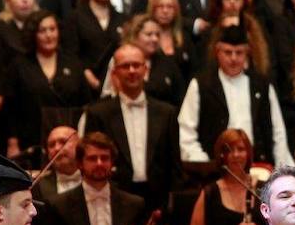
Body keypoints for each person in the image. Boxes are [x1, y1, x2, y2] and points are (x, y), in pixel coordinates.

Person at [84, 42, 182, 213]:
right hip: (114, 200)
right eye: (125, 66)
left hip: (157, 203)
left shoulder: (167, 112)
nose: (132, 71)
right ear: (114, 73)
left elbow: (174, 165)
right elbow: (91, 161)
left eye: (136, 65)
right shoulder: (98, 113)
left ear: (146, 70)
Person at [178, 25, 293, 167]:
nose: (233, 58)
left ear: (247, 53)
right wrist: (205, 165)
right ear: (217, 52)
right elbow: (186, 132)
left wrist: (281, 173)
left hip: (258, 168)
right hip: (215, 170)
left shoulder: (262, 85)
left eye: (239, 53)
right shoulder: (201, 85)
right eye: (228, 52)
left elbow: (278, 134)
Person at [41, 131, 145, 225]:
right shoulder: (58, 206)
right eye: (92, 158)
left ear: (112, 162)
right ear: (80, 163)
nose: (99, 163)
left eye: (105, 158)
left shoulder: (134, 204)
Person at [0, 9, 90, 156]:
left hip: (68, 141)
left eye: (52, 29)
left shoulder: (73, 63)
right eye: (42, 31)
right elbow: (11, 109)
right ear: (33, 35)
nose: (48, 35)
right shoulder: (19, 65)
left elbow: (85, 103)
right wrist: (12, 143)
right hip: (31, 142)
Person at [187, 128, 267, 225]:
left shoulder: (264, 190)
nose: (235, 155)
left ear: (249, 153)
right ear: (222, 156)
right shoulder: (210, 192)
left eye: (241, 149)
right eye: (230, 150)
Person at [61, 0, 125, 98]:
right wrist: (87, 75)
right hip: (83, 85)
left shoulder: (122, 19)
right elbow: (70, 54)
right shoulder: (74, 18)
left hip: (116, 85)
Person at [100, 13, 186, 107]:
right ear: (135, 35)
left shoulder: (166, 62)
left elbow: (179, 97)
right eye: (149, 34)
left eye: (157, 35)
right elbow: (108, 95)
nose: (155, 39)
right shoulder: (121, 59)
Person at [149, 0, 197, 81]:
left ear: (176, 11)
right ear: (153, 9)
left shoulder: (185, 38)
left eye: (170, 7)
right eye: (160, 6)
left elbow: (194, 71)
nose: (165, 11)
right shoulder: (146, 39)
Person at [30, 125, 80, 201]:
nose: (57, 148)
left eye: (63, 142)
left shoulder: (97, 178)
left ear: (80, 145)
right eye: (51, 145)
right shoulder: (37, 186)